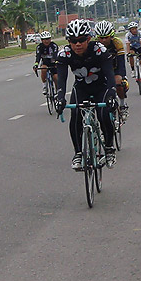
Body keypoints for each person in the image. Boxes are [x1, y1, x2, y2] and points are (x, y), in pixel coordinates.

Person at [55, 18, 118, 170]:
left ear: (88, 39)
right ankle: (78, 153)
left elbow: (110, 75)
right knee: (75, 115)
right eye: (73, 41)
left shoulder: (99, 50)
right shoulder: (64, 54)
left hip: (101, 87)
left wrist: (112, 94)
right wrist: (60, 98)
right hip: (81, 88)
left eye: (81, 40)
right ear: (68, 41)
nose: (77, 44)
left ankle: (109, 149)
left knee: (104, 114)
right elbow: (61, 79)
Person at [93, 20, 129, 116]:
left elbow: (121, 62)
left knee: (118, 84)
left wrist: (123, 76)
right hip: (100, 71)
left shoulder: (117, 43)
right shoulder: (94, 45)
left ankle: (122, 105)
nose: (104, 40)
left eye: (106, 37)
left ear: (111, 36)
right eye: (101, 38)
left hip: (114, 69)